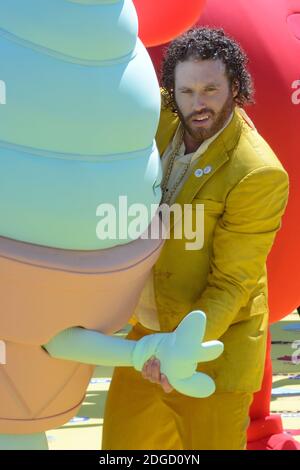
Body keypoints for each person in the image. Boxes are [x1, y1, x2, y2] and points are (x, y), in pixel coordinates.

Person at [101, 27, 290, 450]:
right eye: (186, 90)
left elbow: (232, 283)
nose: (197, 103)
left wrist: (179, 349)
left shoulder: (258, 172)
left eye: (210, 89)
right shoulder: (163, 115)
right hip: (144, 337)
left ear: (235, 88)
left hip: (212, 352)